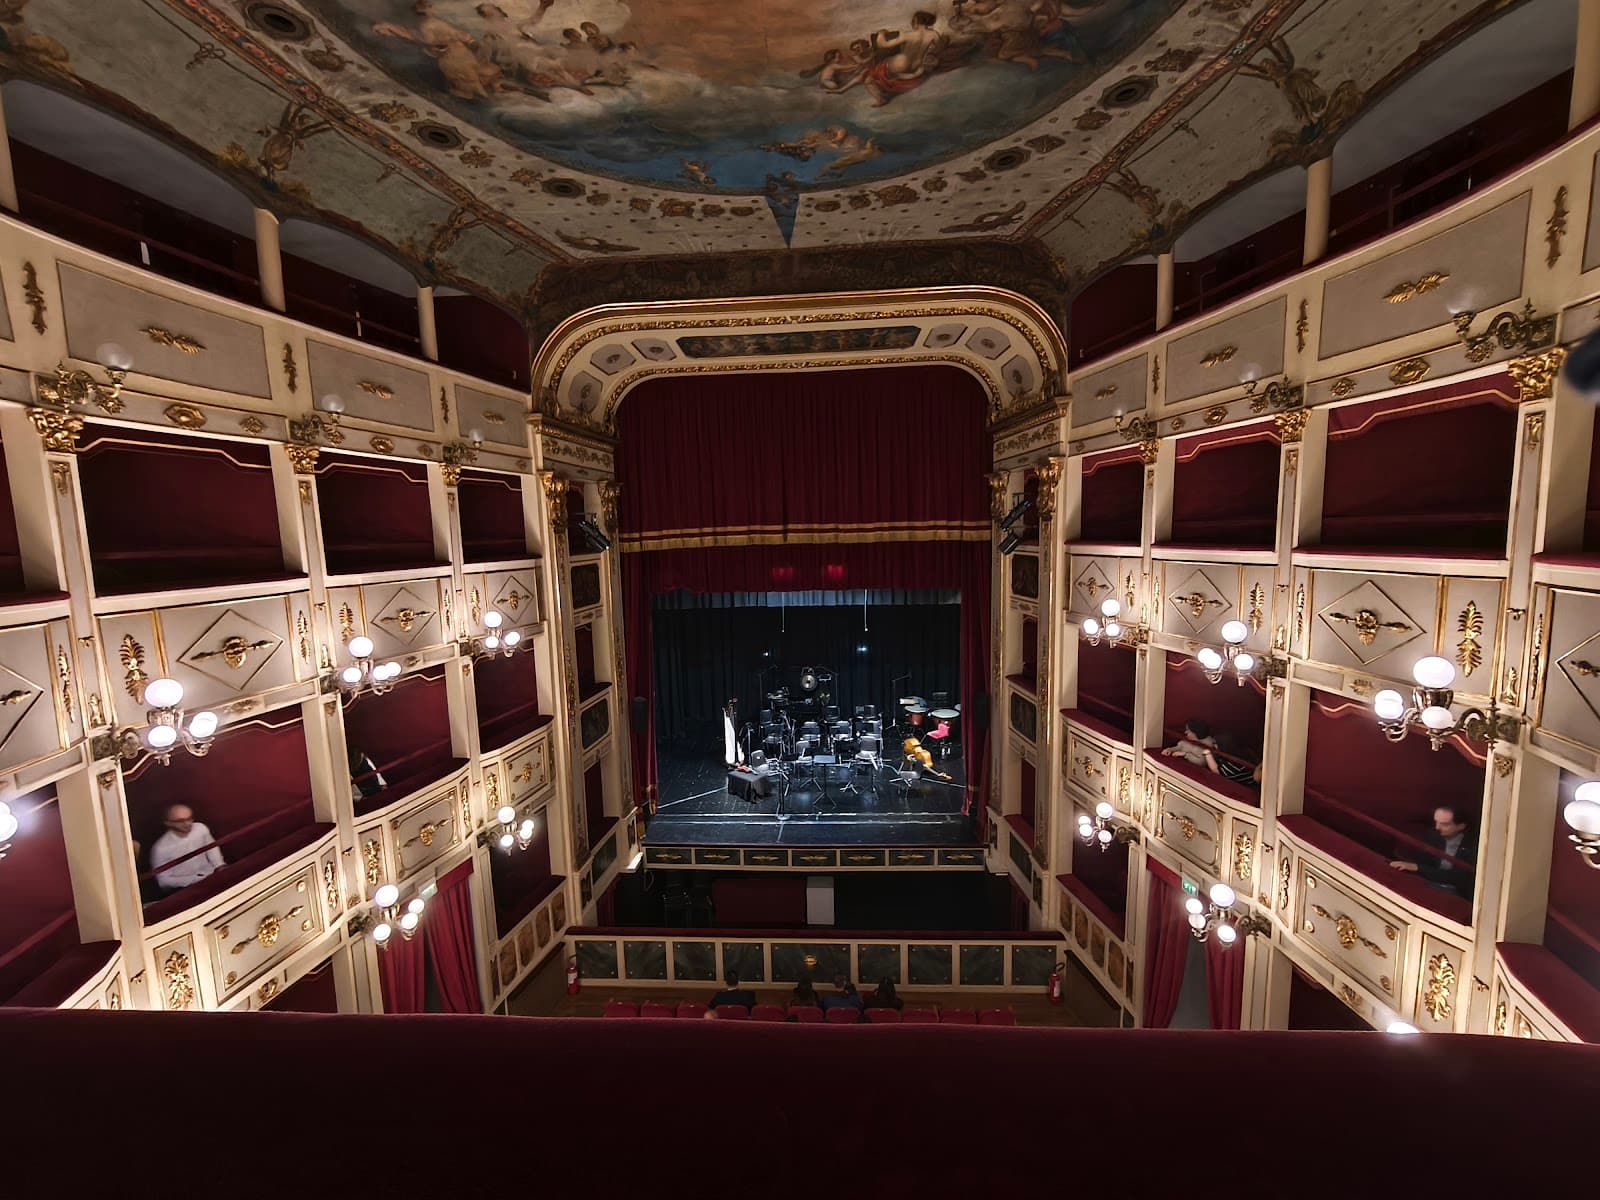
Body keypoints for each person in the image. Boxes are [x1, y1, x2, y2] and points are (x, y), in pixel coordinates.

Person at [1390, 805, 1478, 902]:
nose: (1437, 827)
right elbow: (1423, 860)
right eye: (1436, 822)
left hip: (1457, 893)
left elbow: (1459, 878)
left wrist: (1418, 868)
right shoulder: (1434, 835)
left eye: (1445, 824)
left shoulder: (1473, 845)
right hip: (1430, 883)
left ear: (1461, 826)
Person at [149, 805, 225, 894]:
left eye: (189, 818)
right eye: (181, 821)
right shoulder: (160, 849)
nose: (188, 823)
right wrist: (195, 880)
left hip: (211, 874)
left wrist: (219, 865)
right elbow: (163, 881)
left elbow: (212, 848)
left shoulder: (200, 828)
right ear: (168, 823)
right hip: (185, 889)